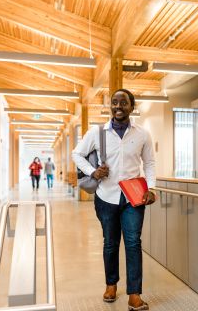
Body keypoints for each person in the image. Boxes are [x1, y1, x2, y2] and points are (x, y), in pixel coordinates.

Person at [72, 89, 155, 310]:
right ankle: (111, 285)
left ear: (132, 106)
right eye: (115, 103)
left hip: (133, 199)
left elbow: (149, 164)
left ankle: (134, 294)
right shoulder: (97, 132)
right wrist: (92, 172)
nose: (118, 106)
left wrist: (152, 188)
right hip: (106, 197)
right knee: (110, 243)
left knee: (133, 243)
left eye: (123, 103)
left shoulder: (142, 134)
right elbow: (76, 154)